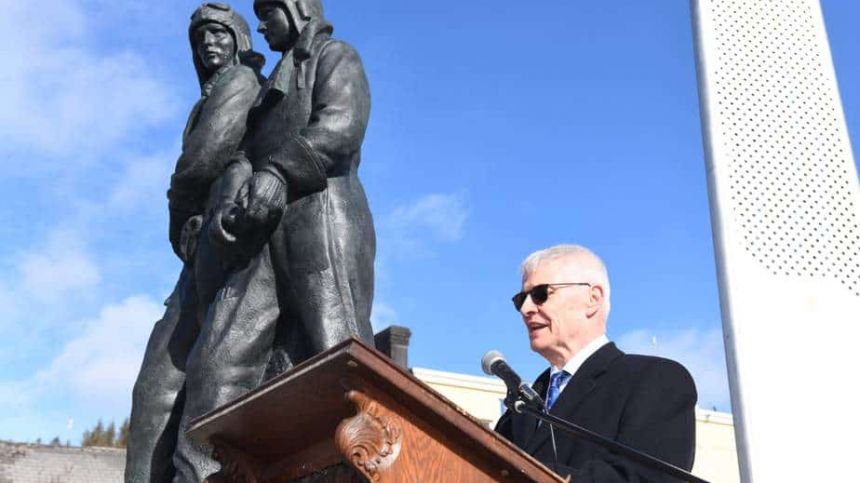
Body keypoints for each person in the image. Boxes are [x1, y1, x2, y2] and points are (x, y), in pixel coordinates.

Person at [171, 0, 377, 479]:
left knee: (339, 357)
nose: (259, 23)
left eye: (268, 11)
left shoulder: (334, 56)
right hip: (260, 231)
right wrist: (235, 194)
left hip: (321, 217)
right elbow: (242, 152)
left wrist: (279, 173)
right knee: (218, 362)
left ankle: (354, 473)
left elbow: (342, 126)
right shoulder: (269, 89)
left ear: (298, 8)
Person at [125, 4, 263, 482]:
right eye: (201, 38)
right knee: (156, 383)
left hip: (225, 237)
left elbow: (205, 158)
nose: (209, 45)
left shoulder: (240, 84)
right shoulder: (207, 96)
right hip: (200, 241)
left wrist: (178, 208)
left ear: (240, 41)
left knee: (200, 376)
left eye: (220, 35)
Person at [495, 245, 697, 482]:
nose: (526, 309)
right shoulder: (523, 406)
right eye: (521, 299)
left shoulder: (657, 380)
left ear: (593, 298)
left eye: (540, 294)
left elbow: (649, 478)